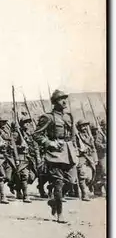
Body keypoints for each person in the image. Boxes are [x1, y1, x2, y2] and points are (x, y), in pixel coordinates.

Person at [34, 90, 78, 223]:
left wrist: (76, 147)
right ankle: (59, 213)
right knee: (58, 183)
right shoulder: (48, 117)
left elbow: (72, 135)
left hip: (68, 152)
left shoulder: (69, 116)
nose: (64, 102)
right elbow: (36, 135)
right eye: (60, 99)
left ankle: (54, 201)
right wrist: (49, 143)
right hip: (55, 154)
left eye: (65, 99)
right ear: (54, 102)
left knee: (71, 182)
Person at [75, 119, 97, 201]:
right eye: (82, 126)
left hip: (90, 157)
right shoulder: (77, 136)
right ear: (79, 127)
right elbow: (73, 146)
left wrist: (95, 158)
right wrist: (79, 149)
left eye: (85, 125)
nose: (84, 127)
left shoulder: (89, 136)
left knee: (90, 178)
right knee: (82, 176)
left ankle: (87, 188)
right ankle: (84, 194)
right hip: (81, 157)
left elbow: (93, 148)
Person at [93, 119, 107, 197]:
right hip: (101, 156)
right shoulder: (100, 134)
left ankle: (97, 188)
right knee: (104, 173)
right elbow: (97, 144)